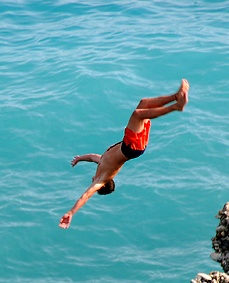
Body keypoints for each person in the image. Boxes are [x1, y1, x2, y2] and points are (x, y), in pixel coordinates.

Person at [58, 80, 189, 229]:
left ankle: (176, 97)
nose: (92, 179)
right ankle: (176, 106)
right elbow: (85, 196)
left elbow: (92, 157)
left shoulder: (102, 163)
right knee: (137, 114)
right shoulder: (102, 179)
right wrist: (71, 212)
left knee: (143, 103)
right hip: (131, 148)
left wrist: (79, 159)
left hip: (131, 145)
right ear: (101, 185)